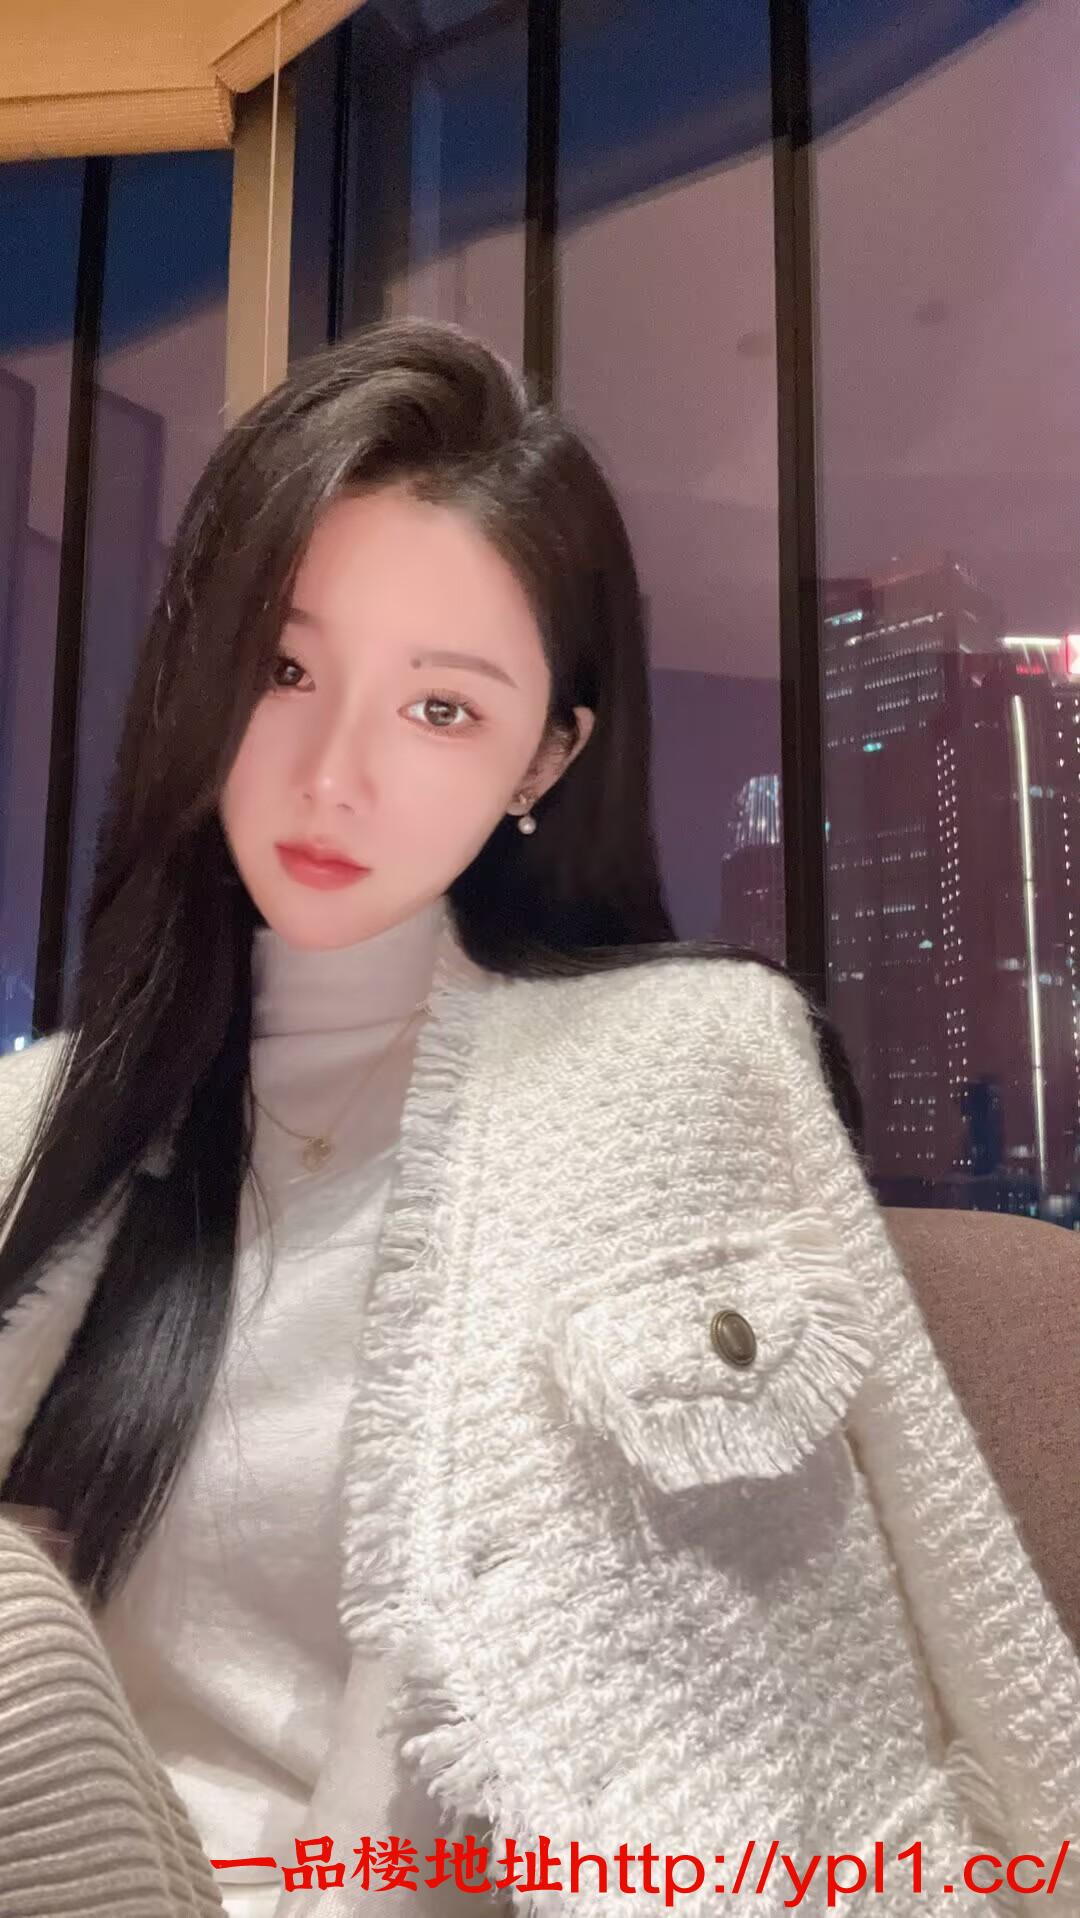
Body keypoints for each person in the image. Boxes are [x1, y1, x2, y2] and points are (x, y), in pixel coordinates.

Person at [0, 317, 1077, 1918]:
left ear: (544, 757)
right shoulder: (44, 1120)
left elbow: (793, 1690)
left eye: (441, 707)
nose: (333, 774)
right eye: (285, 669)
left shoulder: (671, 1070)